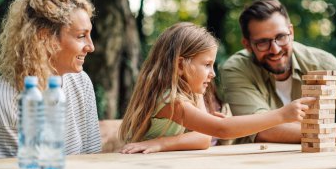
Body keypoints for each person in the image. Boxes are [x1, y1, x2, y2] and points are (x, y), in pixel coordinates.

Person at [119, 22, 314, 154]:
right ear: (180, 66)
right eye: (206, 65)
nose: (212, 74)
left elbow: (204, 139)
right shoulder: (170, 100)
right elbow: (222, 130)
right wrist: (282, 115)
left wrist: (162, 143)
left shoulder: (191, 94)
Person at [220, 0, 336, 145]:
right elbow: (259, 129)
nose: (275, 49)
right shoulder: (236, 69)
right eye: (262, 42)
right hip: (258, 163)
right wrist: (335, 133)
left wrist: (332, 133)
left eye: (281, 37)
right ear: (247, 45)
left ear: (291, 32)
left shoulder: (322, 63)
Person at [0, 0, 101, 158]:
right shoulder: (6, 97)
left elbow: (93, 155)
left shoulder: (81, 82)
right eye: (81, 36)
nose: (91, 47)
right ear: (45, 37)